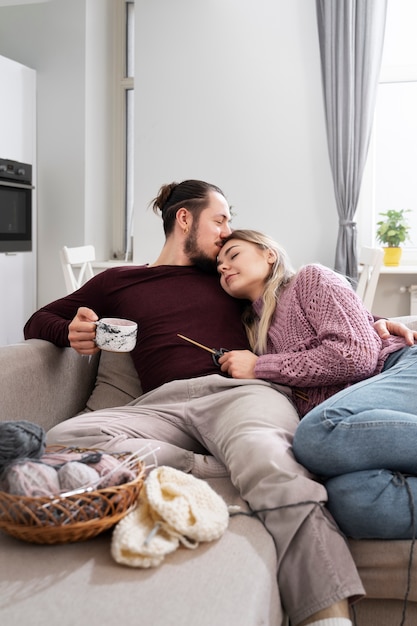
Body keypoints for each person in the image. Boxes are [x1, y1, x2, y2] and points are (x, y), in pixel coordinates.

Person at [24, 181, 411, 626]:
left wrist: (380, 324)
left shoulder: (230, 277)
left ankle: (327, 614)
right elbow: (39, 318)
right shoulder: (118, 281)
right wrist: (69, 330)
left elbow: (304, 298)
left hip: (243, 395)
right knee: (65, 438)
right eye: (220, 220)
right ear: (184, 219)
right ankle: (224, 470)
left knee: (272, 463)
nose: (227, 234)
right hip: (159, 405)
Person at [216, 229, 417, 542]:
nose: (224, 267)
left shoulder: (307, 280)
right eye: (218, 266)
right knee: (350, 499)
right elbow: (357, 324)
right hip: (373, 411)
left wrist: (260, 367)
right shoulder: (257, 334)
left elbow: (357, 355)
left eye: (234, 255)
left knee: (317, 433)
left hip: (401, 369)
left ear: (269, 254)